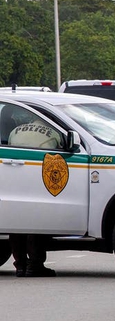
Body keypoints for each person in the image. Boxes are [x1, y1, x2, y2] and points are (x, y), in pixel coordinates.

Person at [7, 109, 59, 277]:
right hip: (37, 179)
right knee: (36, 223)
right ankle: (35, 264)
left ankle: (20, 266)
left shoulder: (15, 131)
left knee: (16, 223)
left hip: (14, 178)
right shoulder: (54, 134)